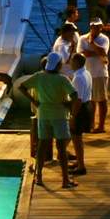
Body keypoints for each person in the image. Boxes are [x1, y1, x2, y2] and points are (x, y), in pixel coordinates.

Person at [20, 57, 78, 189]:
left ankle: (39, 177)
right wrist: (68, 103)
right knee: (61, 148)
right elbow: (74, 95)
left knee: (42, 146)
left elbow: (21, 87)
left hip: (43, 114)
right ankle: (65, 180)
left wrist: (34, 101)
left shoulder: (39, 77)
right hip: (59, 115)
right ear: (57, 65)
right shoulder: (62, 79)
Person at [83, 17, 110, 133]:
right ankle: (91, 124)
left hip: (100, 73)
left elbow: (103, 52)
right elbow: (83, 53)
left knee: (102, 100)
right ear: (90, 27)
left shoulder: (105, 39)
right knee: (91, 101)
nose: (97, 28)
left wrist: (91, 43)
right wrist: (97, 52)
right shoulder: (82, 38)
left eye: (99, 26)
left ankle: (101, 125)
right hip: (87, 73)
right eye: (94, 26)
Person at [66, 54, 92, 176]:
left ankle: (81, 166)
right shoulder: (86, 73)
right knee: (78, 138)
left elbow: (78, 100)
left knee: (76, 139)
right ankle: (79, 161)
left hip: (80, 110)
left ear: (76, 62)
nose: (70, 62)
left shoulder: (78, 78)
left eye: (71, 60)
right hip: (87, 106)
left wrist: (73, 116)